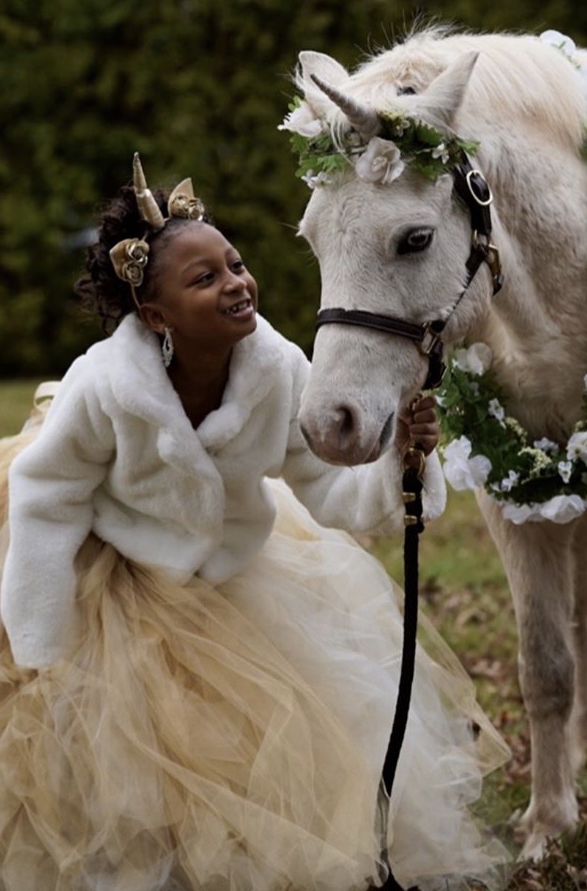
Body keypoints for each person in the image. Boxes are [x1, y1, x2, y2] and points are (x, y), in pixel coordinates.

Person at [0, 155, 508, 891]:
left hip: (228, 574)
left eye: (234, 265)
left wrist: (401, 462)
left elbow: (327, 491)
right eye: (204, 280)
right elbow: (46, 498)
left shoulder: (277, 370)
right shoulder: (105, 389)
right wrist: (43, 644)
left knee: (253, 745)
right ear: (156, 315)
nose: (236, 284)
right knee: (111, 752)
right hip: (106, 573)